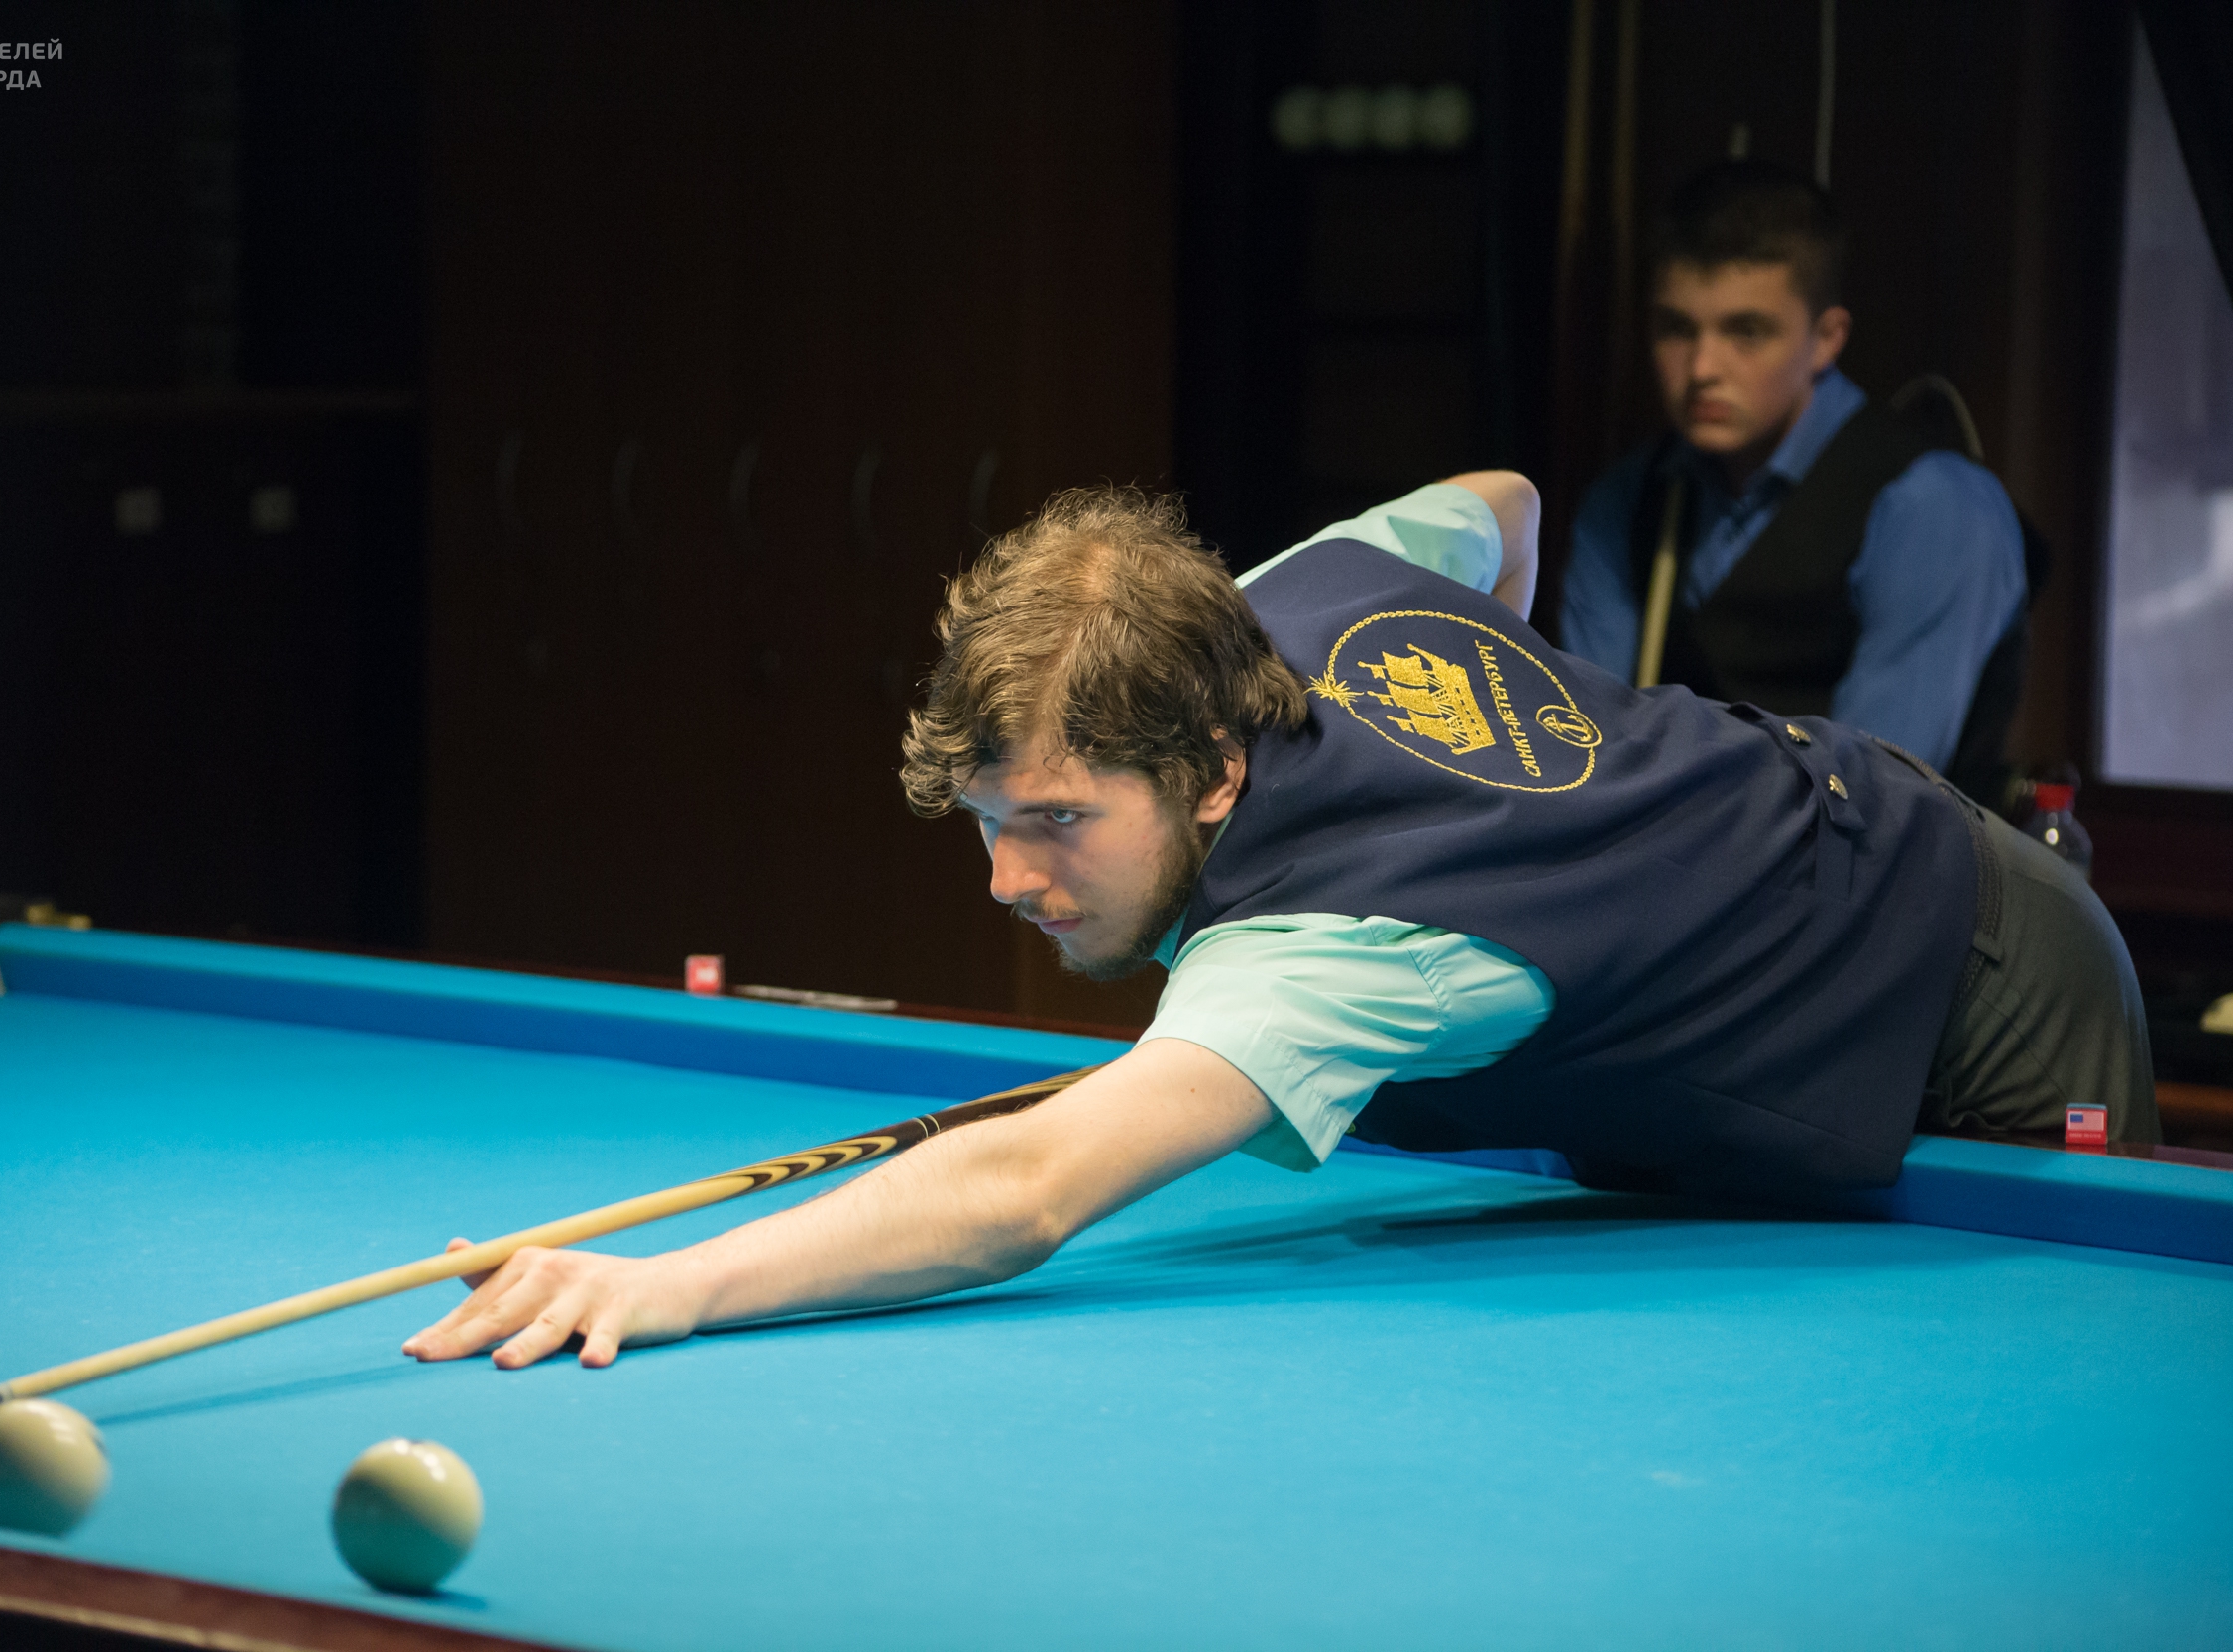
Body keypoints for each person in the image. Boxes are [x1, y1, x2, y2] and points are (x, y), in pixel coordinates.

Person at [403, 473, 2152, 1374]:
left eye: (1059, 823)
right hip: (1812, 881)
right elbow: (1505, 502)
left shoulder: (1337, 946)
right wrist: (1572, 775)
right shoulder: (1270, 601)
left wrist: (671, 1284)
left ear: (1217, 771)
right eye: (991, 824)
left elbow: (1026, 1191)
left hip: (1980, 974)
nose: (1009, 880)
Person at [1558, 160, 2031, 802]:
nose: (1702, 368)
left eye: (1747, 331)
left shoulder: (1932, 505)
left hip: (1877, 860)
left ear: (1827, 338)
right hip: (1670, 848)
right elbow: (1585, 755)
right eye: (1676, 329)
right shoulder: (1627, 499)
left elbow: (1868, 793)